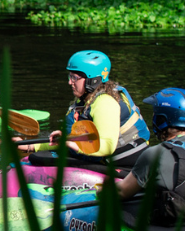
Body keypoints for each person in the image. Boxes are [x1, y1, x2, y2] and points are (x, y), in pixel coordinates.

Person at [113, 88, 185, 226]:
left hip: (178, 226)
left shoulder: (156, 153)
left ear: (161, 119)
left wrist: (100, 192)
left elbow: (121, 192)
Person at [18, 50, 150, 170]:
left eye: (75, 78)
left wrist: (70, 142)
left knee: (41, 159)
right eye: (69, 76)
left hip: (126, 165)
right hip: (100, 158)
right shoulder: (85, 100)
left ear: (92, 80)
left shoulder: (105, 102)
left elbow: (108, 146)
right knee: (39, 156)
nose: (70, 82)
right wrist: (30, 146)